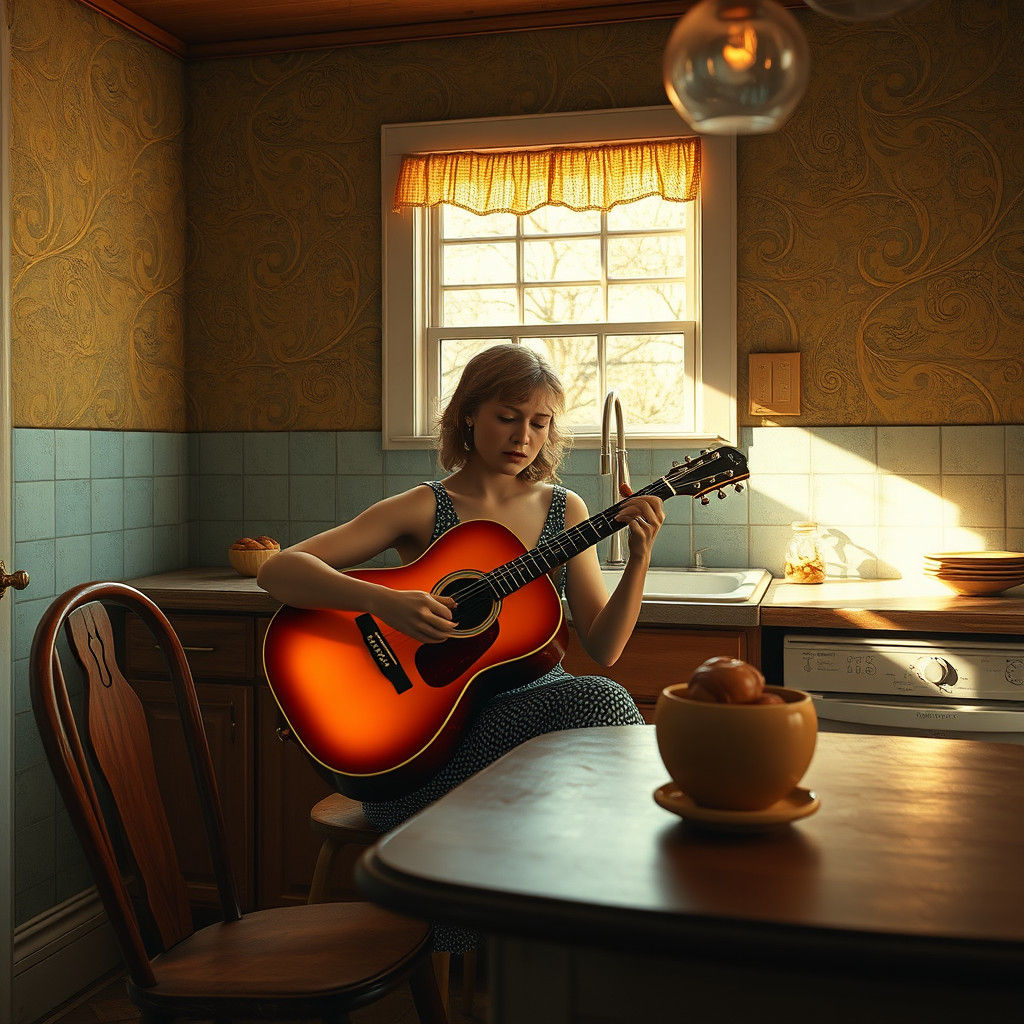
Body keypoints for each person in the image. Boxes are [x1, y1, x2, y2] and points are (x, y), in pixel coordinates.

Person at [258, 344, 664, 951]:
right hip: (433, 742)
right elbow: (279, 571)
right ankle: (522, 944)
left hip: (533, 726)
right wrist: (385, 603)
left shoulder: (565, 511)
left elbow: (604, 646)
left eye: (539, 422)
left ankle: (564, 943)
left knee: (598, 700)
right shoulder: (426, 507)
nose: (522, 435)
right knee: (600, 705)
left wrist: (638, 560)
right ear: (469, 415)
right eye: (507, 415)